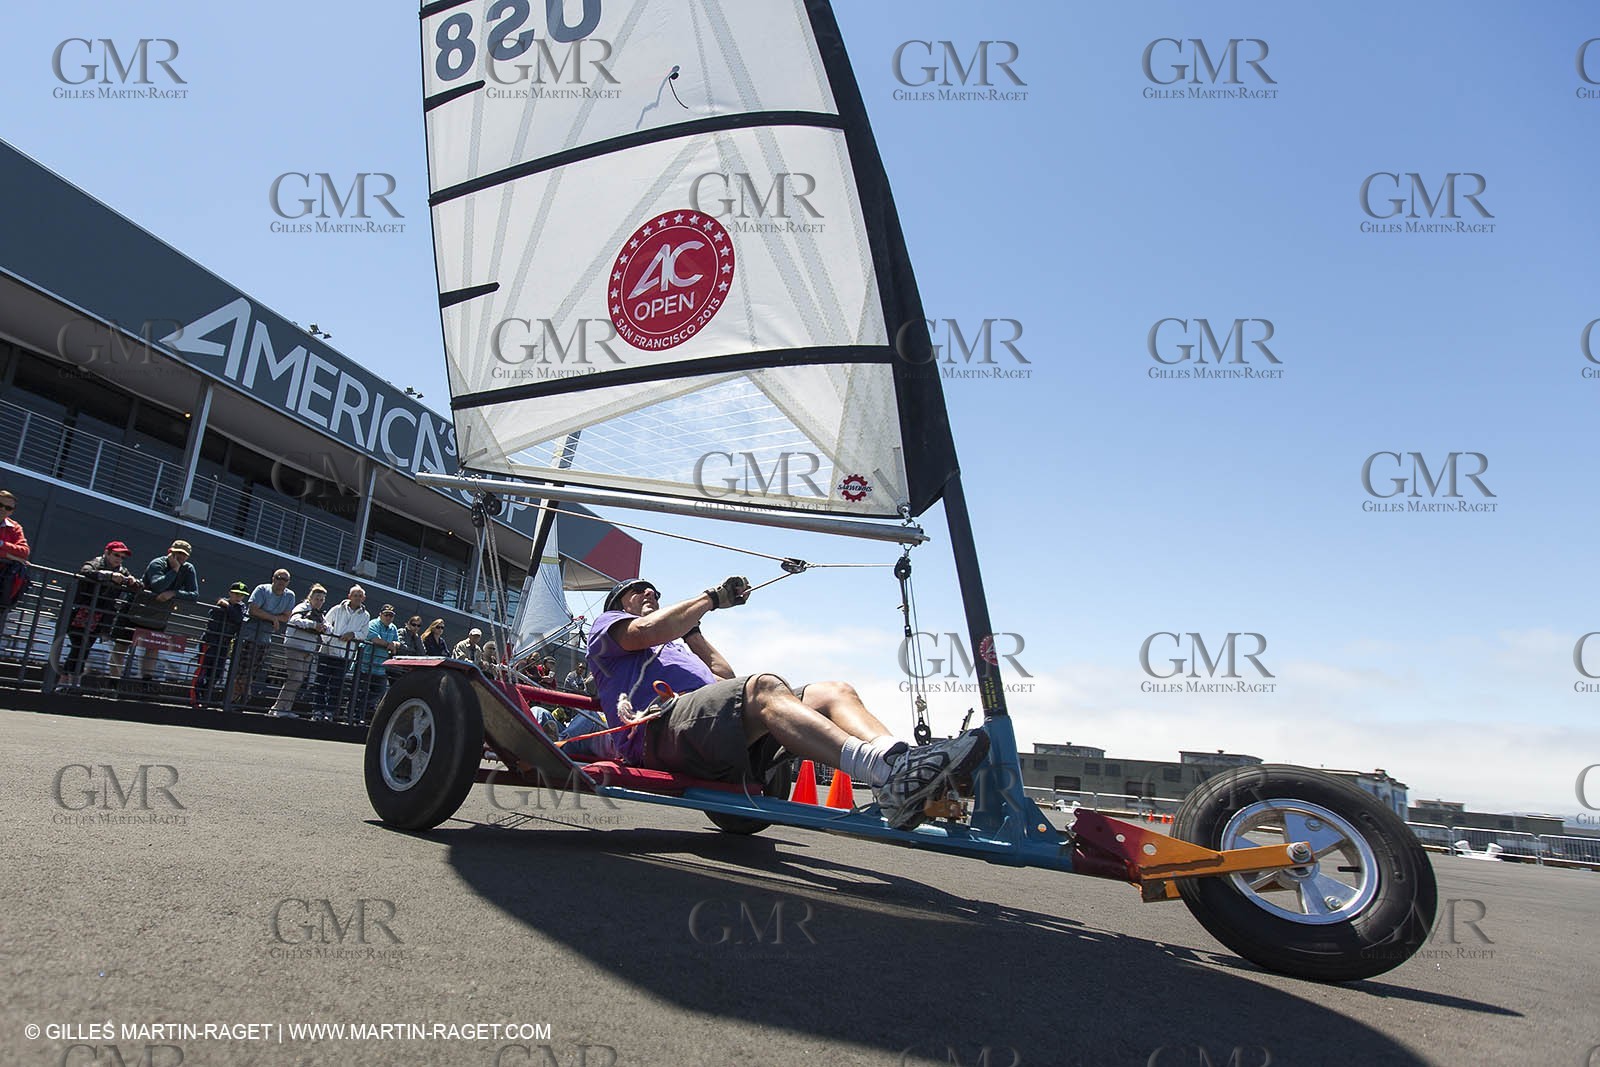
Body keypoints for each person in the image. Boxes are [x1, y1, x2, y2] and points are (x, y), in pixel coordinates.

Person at [587, 576, 989, 831]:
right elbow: (646, 630)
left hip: (705, 731)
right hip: (655, 733)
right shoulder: (607, 629)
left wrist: (692, 631)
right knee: (763, 687)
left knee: (834, 690)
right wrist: (711, 597)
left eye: (656, 590)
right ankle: (886, 772)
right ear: (617, 604)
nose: (651, 593)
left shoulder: (673, 642)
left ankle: (896, 762)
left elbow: (723, 677)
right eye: (638, 590)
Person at [58, 541, 143, 691]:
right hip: (82, 612)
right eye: (116, 555)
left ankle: (66, 682)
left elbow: (138, 586)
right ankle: (69, 683)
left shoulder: (123, 571)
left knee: (83, 648)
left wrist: (132, 582)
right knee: (80, 647)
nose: (119, 559)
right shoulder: (95, 563)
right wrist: (109, 575)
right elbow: (85, 572)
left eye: (122, 557)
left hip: (100, 617)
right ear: (107, 553)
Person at [114, 539, 200, 685]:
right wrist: (174, 570)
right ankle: (113, 680)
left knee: (152, 648)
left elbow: (194, 595)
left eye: (184, 555)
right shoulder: (157, 563)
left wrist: (173, 593)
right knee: (121, 645)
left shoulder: (188, 569)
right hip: (135, 611)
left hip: (158, 617)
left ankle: (146, 681)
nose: (181, 557)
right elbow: (157, 586)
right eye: (178, 553)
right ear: (170, 552)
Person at [234, 568, 295, 705]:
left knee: (253, 672)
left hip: (265, 639)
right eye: (279, 578)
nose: (281, 581)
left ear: (288, 582)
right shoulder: (262, 589)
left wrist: (268, 616)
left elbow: (286, 617)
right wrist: (273, 619)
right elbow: (253, 609)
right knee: (240, 671)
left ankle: (242, 700)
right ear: (273, 578)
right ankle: (233, 699)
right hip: (249, 635)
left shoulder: (290, 596)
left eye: (284, 579)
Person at [311, 585, 370, 722]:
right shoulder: (336, 609)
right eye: (355, 595)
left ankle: (330, 712)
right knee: (321, 681)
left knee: (337, 685)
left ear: (364, 598)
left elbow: (364, 634)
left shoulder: (365, 615)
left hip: (345, 654)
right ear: (349, 596)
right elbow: (325, 624)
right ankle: (317, 711)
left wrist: (352, 634)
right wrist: (330, 637)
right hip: (328, 650)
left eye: (360, 596)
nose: (357, 598)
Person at [270, 584, 329, 717]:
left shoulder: (320, 614)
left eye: (322, 600)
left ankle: (285, 708)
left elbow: (329, 628)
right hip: (295, 646)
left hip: (308, 650)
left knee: (299, 679)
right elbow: (295, 620)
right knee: (295, 677)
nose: (319, 602)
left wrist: (323, 627)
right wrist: (313, 625)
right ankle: (277, 708)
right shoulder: (302, 607)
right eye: (317, 598)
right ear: (311, 598)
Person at [194, 581, 249, 704]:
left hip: (224, 644)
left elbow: (238, 618)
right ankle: (196, 697)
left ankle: (205, 694)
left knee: (217, 673)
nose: (238, 597)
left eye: (241, 595)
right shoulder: (220, 605)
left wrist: (228, 607)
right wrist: (227, 607)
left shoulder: (240, 607)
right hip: (209, 643)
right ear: (230, 593)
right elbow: (213, 618)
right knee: (203, 670)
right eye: (236, 594)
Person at [354, 604, 401, 722]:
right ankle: (355, 715)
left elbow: (398, 642)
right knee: (360, 692)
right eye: (386, 615)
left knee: (378, 692)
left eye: (391, 615)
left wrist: (394, 644)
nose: (388, 618)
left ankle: (362, 714)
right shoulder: (373, 623)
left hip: (380, 668)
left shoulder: (393, 628)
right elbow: (374, 639)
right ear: (380, 614)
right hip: (365, 665)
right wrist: (389, 645)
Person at [0, 490, 30, 647]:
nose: (3, 510)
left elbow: (24, 552)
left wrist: (2, 546)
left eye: (8, 508)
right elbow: (18, 553)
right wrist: (11, 556)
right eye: (0, 505)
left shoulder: (14, 527)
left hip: (2, 584)